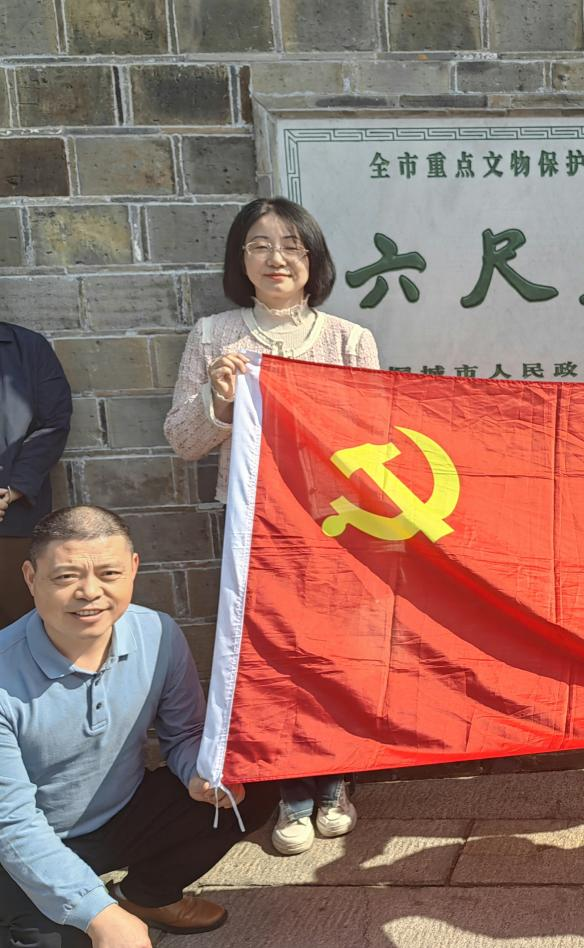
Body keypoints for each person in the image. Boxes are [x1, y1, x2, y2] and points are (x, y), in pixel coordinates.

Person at [164, 196, 379, 857]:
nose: (276, 258)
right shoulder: (215, 337)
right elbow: (183, 441)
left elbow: (375, 437)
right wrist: (220, 400)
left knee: (334, 653)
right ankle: (289, 789)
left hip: (333, 525)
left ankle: (336, 780)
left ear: (313, 261)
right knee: (268, 656)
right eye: (259, 245)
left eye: (291, 245)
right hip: (252, 527)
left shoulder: (349, 340)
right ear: (241, 260)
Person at [0, 506, 277, 948]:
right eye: (66, 576)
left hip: (123, 812)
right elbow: (12, 822)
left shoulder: (157, 633)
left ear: (133, 568)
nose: (90, 593)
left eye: (109, 573)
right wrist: (97, 913)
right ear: (31, 578)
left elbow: (185, 734)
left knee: (254, 785)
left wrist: (199, 775)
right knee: (74, 937)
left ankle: (147, 896)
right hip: (29, 840)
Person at [0, 322, 71, 627]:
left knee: (20, 630)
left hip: (12, 520)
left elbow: (54, 424)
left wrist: (11, 490)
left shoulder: (28, 347)